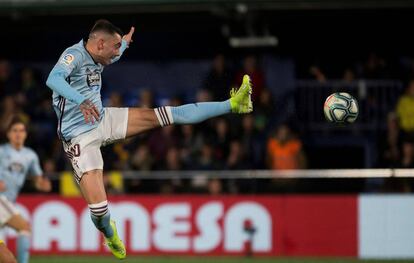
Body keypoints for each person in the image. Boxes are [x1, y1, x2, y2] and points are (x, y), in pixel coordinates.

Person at [45, 19, 252, 260]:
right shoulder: (74, 55)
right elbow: (54, 79)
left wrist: (123, 44)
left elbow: (115, 53)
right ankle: (109, 233)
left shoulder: (100, 54)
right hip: (79, 137)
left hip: (102, 119)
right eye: (113, 48)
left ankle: (233, 104)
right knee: (100, 212)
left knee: (166, 115)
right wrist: (80, 100)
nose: (115, 55)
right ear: (100, 43)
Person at [0, 118, 52, 263]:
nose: (18, 134)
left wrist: (42, 184)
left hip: (8, 203)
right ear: (8, 134)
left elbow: (37, 178)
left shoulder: (30, 156)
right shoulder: (2, 152)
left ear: (26, 134)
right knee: (24, 227)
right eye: (14, 131)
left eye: (21, 130)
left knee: (7, 260)